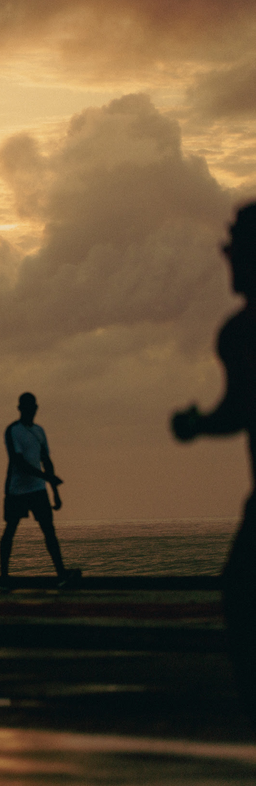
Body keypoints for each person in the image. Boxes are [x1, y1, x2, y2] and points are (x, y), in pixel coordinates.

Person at [173, 201, 256, 721]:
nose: (229, 261)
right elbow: (242, 408)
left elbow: (240, 408)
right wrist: (204, 422)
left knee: (241, 593)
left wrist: (201, 424)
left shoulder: (241, 333)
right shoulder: (237, 334)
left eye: (236, 251)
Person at [0, 392, 79, 592]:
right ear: (20, 409)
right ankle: (4, 578)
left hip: (38, 489)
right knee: (10, 531)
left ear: (35, 408)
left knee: (49, 531)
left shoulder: (39, 431)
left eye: (32, 407)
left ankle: (61, 574)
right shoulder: (13, 431)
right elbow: (19, 463)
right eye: (26, 407)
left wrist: (55, 492)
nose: (30, 410)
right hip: (17, 490)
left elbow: (46, 461)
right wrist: (48, 479)